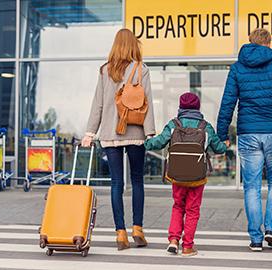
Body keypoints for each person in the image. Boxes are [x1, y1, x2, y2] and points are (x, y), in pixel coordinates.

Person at [216, 28, 272, 251]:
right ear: (268, 43)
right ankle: (271, 231)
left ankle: (255, 239)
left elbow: (227, 102)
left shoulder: (237, 68)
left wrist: (222, 135)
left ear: (251, 42)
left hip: (248, 133)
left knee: (251, 186)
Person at [82, 28, 155, 251]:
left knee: (116, 183)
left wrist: (90, 133)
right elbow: (148, 102)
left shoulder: (105, 70)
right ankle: (138, 229)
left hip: (110, 134)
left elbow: (99, 104)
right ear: (134, 45)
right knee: (137, 181)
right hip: (135, 133)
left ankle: (120, 233)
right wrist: (150, 132)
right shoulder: (141, 68)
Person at [144, 92, 227, 257]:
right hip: (197, 177)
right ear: (198, 107)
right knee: (193, 209)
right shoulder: (205, 126)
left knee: (178, 206)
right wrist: (225, 144)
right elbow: (219, 148)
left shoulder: (174, 124)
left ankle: (173, 240)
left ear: (180, 107)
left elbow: (158, 142)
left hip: (177, 175)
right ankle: (187, 246)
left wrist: (147, 141)